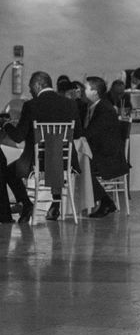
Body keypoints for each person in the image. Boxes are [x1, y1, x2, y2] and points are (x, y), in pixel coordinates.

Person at [1, 71, 82, 223]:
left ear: (38, 85)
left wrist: (6, 125)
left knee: (6, 169)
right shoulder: (70, 104)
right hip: (65, 161)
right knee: (54, 159)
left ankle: (26, 203)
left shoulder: (31, 105)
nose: (31, 91)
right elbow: (77, 133)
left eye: (31, 87)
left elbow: (18, 136)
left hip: (38, 161)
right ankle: (55, 203)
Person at [83, 76, 130, 218]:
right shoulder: (95, 107)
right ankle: (101, 200)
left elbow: (92, 133)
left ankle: (106, 201)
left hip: (109, 156)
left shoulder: (104, 109)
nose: (82, 91)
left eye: (85, 88)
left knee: (80, 166)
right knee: (77, 163)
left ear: (94, 92)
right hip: (100, 151)